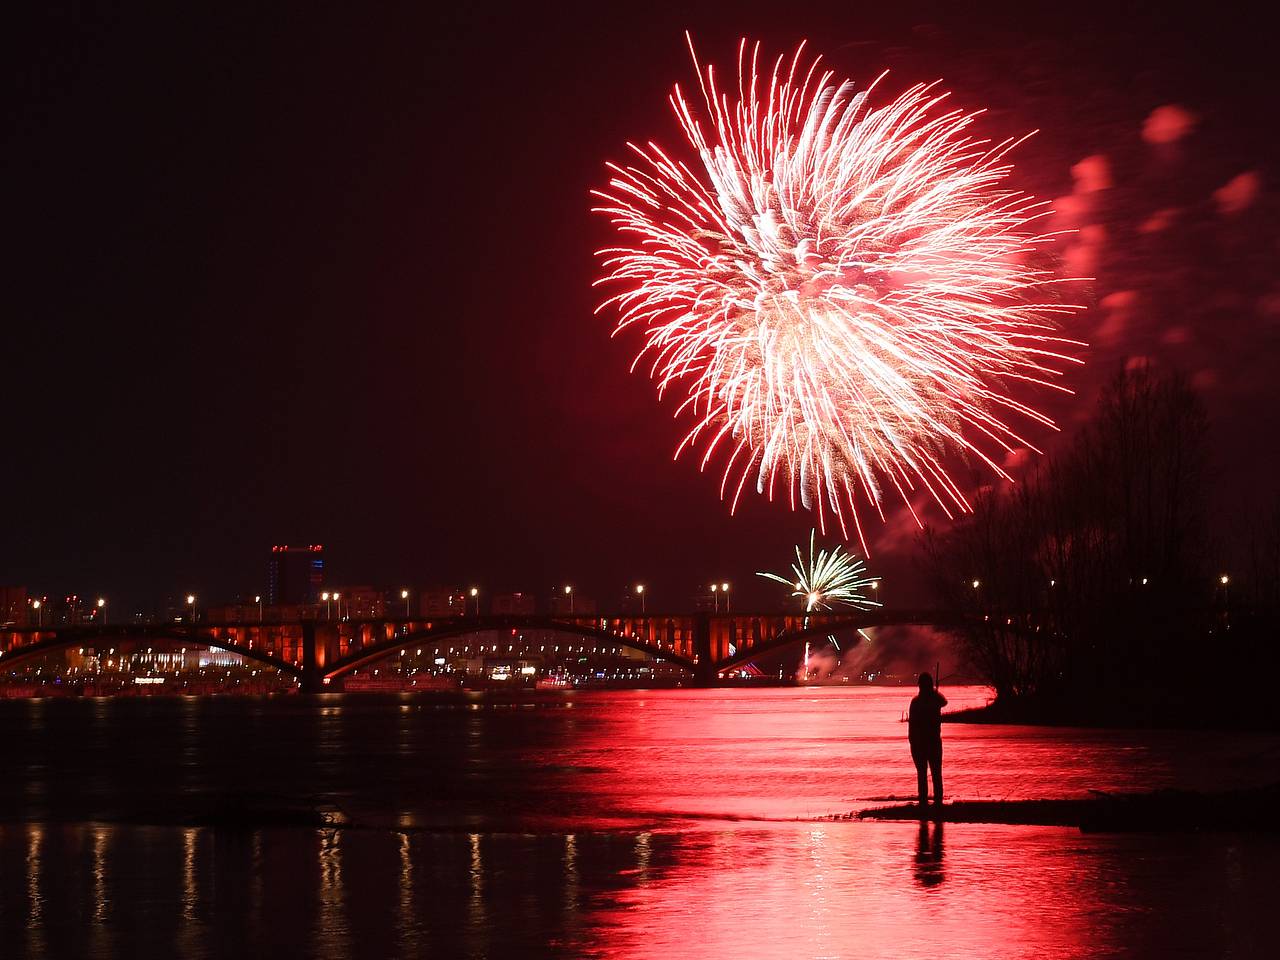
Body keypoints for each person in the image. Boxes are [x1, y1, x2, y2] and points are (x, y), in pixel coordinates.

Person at [908, 672, 947, 808]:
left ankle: (926, 802)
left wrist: (912, 743)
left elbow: (911, 726)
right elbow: (912, 725)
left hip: (926, 743)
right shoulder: (930, 701)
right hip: (926, 743)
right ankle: (935, 802)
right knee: (933, 774)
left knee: (927, 775)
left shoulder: (919, 702)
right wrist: (935, 692)